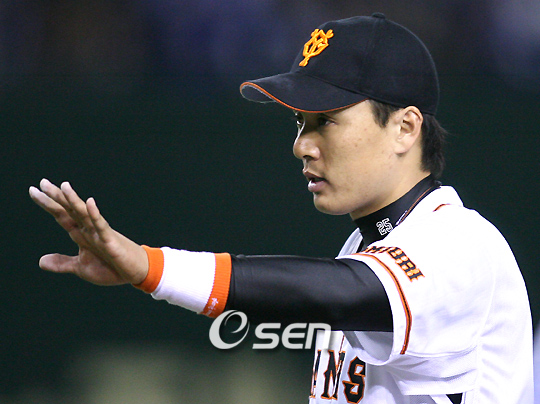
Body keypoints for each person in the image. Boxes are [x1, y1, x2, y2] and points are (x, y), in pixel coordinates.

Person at [29, 13, 533, 404]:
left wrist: (150, 266)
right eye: (299, 123)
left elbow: (341, 292)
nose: (302, 146)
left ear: (405, 128)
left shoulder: (462, 243)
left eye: (325, 121)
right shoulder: (364, 246)